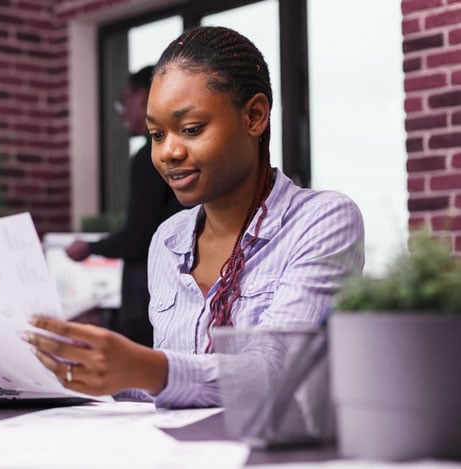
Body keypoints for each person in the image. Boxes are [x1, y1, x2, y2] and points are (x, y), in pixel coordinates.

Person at [25, 26, 364, 409]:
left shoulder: (322, 222)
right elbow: (173, 384)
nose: (168, 152)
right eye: (155, 134)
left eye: (190, 129)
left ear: (254, 116)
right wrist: (89, 363)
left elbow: (278, 371)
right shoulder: (168, 240)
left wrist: (141, 367)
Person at [64, 65, 183, 347]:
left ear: (143, 97)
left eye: (124, 101)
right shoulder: (170, 155)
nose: (121, 111)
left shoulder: (152, 158)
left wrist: (90, 248)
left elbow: (139, 238)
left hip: (150, 300)